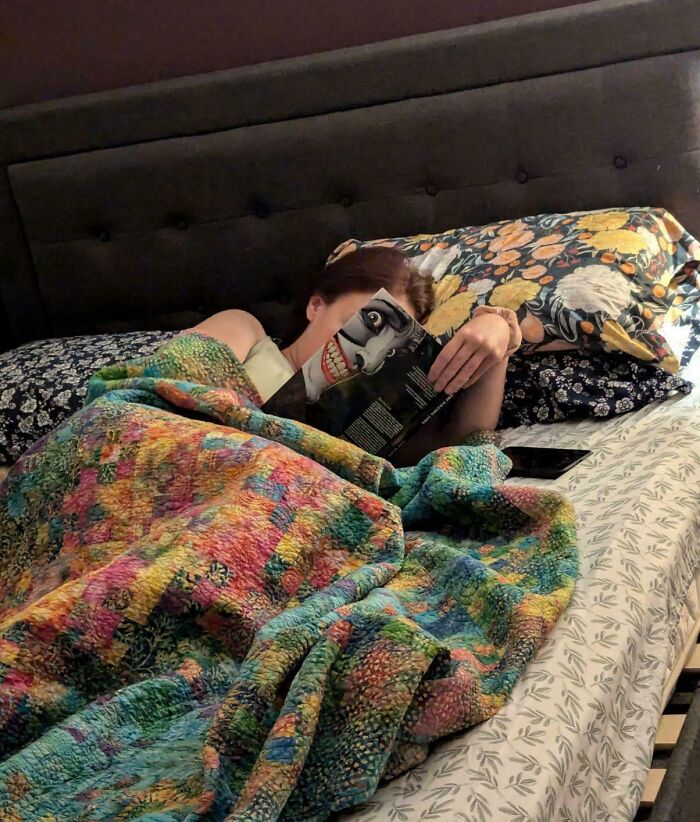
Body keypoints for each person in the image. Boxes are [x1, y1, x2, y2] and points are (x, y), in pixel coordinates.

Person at [190, 246, 521, 465]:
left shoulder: (372, 414)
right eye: (360, 324)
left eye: (386, 347)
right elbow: (172, 385)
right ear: (316, 306)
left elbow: (463, 447)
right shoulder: (246, 330)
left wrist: (500, 329)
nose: (361, 354)